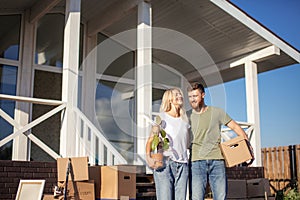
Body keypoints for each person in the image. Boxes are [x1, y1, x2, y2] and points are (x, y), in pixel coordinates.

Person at [187, 82, 252, 200]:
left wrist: (248, 148)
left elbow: (236, 128)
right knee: (196, 197)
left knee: (221, 197)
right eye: (190, 97)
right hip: (196, 161)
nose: (192, 99)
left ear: (203, 95)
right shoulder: (187, 116)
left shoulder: (217, 112)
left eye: (195, 96)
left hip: (217, 160)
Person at [145, 88, 190, 200]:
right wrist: (148, 157)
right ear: (169, 99)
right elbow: (151, 140)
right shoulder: (162, 117)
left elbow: (187, 142)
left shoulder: (185, 120)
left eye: (180, 93)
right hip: (166, 163)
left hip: (183, 164)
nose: (180, 95)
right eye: (176, 94)